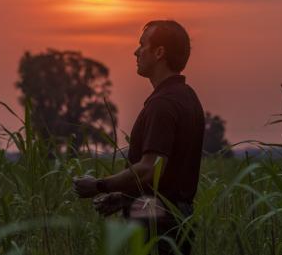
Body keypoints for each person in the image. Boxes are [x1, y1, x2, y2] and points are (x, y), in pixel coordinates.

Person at [73, 20, 205, 255]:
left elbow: (149, 169)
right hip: (177, 219)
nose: (136, 51)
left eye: (142, 45)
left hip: (161, 228)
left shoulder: (163, 104)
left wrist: (98, 185)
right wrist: (124, 198)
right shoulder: (187, 97)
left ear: (159, 52)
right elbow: (168, 180)